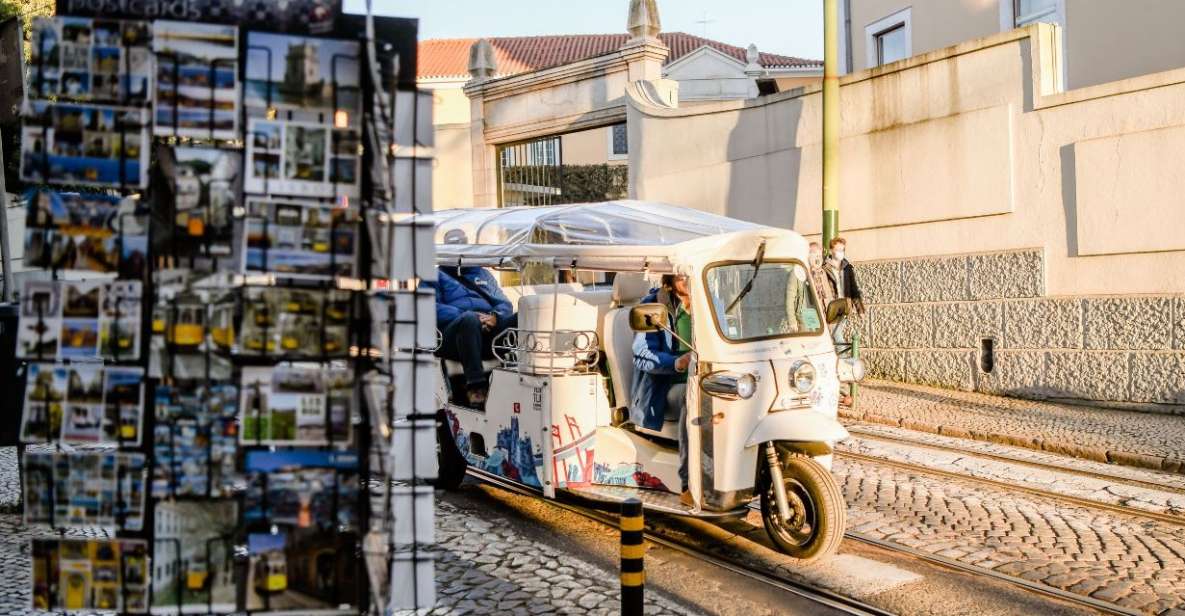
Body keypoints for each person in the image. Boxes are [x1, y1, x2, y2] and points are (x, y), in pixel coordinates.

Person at [629, 274, 695, 507]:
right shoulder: (653, 307)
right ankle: (691, 484)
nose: (687, 279)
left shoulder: (709, 302)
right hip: (665, 387)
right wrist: (677, 363)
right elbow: (641, 355)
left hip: (705, 377)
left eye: (690, 272)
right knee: (694, 397)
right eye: (681, 275)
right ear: (669, 277)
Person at [433, 232, 517, 407]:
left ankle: (528, 376)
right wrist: (469, 316)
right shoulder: (435, 276)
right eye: (453, 248)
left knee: (522, 315)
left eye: (462, 247)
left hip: (487, 334)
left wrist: (495, 317)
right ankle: (476, 387)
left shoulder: (483, 274)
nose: (458, 252)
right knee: (469, 320)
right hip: (454, 336)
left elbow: (504, 304)